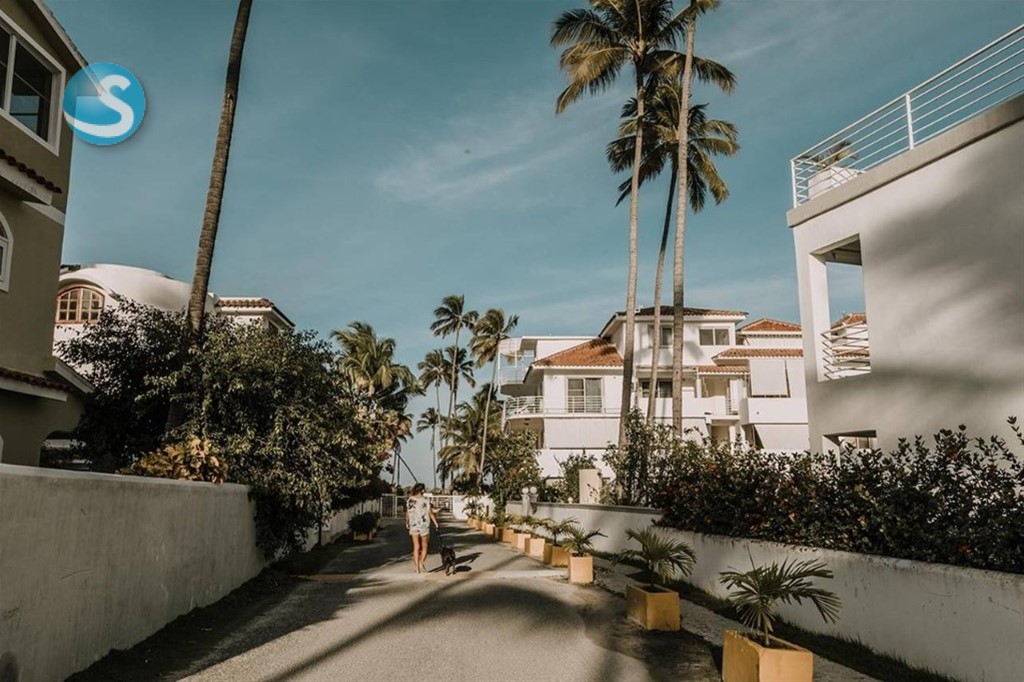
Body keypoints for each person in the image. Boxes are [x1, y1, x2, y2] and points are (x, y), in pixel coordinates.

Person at [405, 483, 438, 573]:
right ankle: (421, 562)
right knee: (425, 545)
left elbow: (408, 512)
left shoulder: (410, 500)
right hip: (424, 524)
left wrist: (407, 522)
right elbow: (430, 513)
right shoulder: (426, 500)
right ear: (422, 490)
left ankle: (417, 568)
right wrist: (436, 523)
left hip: (413, 524)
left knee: (416, 546)